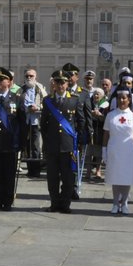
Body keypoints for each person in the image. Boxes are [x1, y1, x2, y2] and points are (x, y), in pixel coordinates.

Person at [41, 70, 89, 214]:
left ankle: (65, 204)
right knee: (52, 178)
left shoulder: (75, 99)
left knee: (68, 179)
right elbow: (44, 125)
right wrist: (47, 142)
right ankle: (54, 204)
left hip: (68, 146)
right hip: (53, 146)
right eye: (57, 82)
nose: (60, 85)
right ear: (53, 84)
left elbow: (81, 122)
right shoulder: (48, 100)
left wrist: (79, 141)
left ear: (68, 83)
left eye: (63, 82)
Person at [0, 68, 27, 210]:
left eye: (3, 79)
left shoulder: (18, 99)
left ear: (9, 82)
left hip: (10, 144)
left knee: (9, 174)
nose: (0, 82)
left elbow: (22, 122)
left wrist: (22, 142)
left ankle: (7, 201)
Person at [104, 88, 133, 214]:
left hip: (129, 150)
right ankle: (115, 203)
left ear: (129, 100)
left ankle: (125, 202)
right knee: (115, 177)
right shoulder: (111, 115)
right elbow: (106, 134)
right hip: (114, 148)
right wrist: (104, 150)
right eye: (119, 98)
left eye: (124, 98)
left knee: (126, 177)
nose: (121, 100)